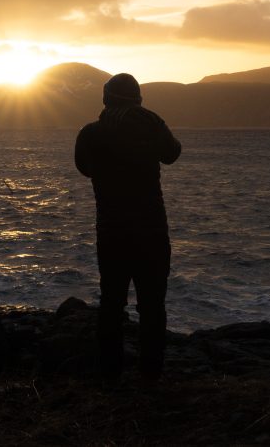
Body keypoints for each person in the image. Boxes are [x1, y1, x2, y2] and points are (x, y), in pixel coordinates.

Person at [74, 73, 181, 382]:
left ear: (106, 99)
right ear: (137, 99)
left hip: (112, 232)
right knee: (152, 305)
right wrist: (154, 124)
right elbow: (172, 154)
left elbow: (83, 168)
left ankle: (109, 375)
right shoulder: (151, 125)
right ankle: (151, 375)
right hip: (152, 231)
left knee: (111, 304)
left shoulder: (91, 133)